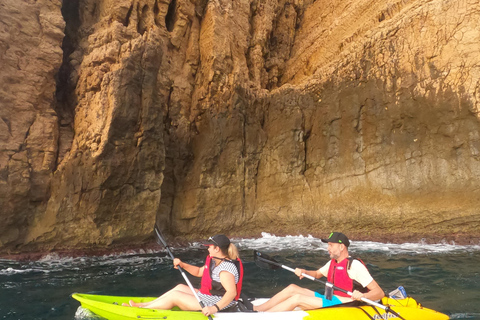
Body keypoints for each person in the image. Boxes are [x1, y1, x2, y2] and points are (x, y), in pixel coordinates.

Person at [254, 232, 384, 312]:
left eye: (331, 245)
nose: (328, 248)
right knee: (292, 288)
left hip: (345, 303)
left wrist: (363, 296)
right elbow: (317, 274)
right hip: (331, 299)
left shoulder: (354, 266)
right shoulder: (333, 262)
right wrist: (304, 271)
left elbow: (379, 292)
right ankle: (257, 310)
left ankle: (264, 317)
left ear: (341, 246)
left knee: (297, 299)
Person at [126, 234, 244, 317]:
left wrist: (214, 309)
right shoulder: (215, 261)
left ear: (217, 249)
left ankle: (143, 311)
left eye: (210, 247)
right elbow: (199, 272)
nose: (208, 249)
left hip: (220, 303)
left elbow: (231, 293)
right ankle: (143, 305)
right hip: (209, 296)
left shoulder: (225, 269)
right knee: (179, 288)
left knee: (175, 296)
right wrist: (182, 264)